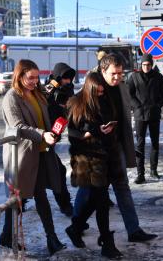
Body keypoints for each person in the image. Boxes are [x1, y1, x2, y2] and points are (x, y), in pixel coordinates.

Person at [71, 53, 157, 242]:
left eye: (120, 73)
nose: (118, 77)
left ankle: (133, 230)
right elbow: (78, 116)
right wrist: (90, 131)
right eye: (114, 73)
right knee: (89, 190)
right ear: (103, 71)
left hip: (115, 145)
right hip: (94, 151)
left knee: (122, 186)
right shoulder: (93, 86)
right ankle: (77, 223)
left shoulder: (121, 87)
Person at [0, 59, 66, 255]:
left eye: (37, 77)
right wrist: (42, 134)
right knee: (18, 200)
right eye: (30, 78)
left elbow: (46, 113)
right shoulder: (12, 97)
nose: (35, 81)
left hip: (41, 152)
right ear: (19, 76)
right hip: (22, 154)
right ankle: (7, 236)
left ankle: (51, 239)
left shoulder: (36, 93)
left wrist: (54, 128)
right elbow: (18, 126)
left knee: (40, 197)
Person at [65, 72, 123, 259]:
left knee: (95, 199)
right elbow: (73, 133)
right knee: (102, 200)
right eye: (97, 92)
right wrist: (91, 132)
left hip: (105, 155)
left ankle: (75, 228)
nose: (101, 94)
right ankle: (106, 240)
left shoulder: (105, 99)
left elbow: (106, 122)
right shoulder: (76, 103)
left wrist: (107, 129)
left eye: (102, 91)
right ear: (89, 89)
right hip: (87, 157)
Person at [127, 53, 163, 183]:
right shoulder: (134, 77)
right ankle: (140, 174)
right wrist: (136, 106)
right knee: (140, 144)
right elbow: (129, 94)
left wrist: (158, 106)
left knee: (155, 143)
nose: (146, 67)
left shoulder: (158, 77)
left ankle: (153, 170)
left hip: (154, 114)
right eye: (144, 65)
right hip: (140, 115)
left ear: (152, 64)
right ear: (141, 64)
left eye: (149, 65)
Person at [45, 62, 76, 217]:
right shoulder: (48, 89)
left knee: (42, 174)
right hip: (42, 136)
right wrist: (52, 87)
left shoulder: (68, 91)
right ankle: (66, 206)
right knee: (57, 171)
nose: (68, 81)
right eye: (64, 78)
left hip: (54, 134)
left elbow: (71, 110)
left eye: (69, 78)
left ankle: (20, 202)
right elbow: (44, 102)